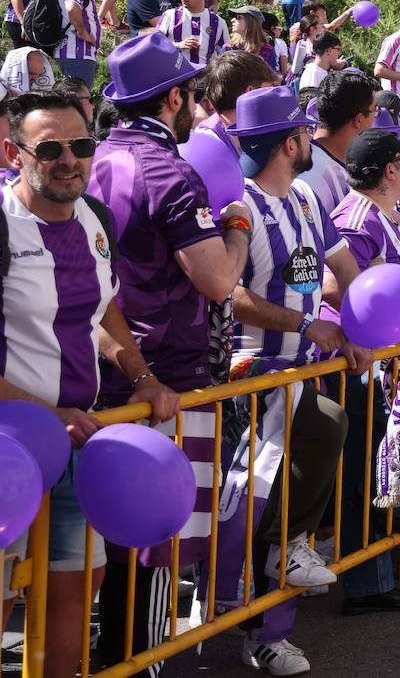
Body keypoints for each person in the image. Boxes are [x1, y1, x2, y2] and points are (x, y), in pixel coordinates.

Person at [87, 33, 254, 675]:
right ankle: (143, 664)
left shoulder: (93, 157)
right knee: (156, 536)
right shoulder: (169, 169)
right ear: (176, 98)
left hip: (105, 361)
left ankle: (111, 657)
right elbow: (217, 280)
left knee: (99, 536)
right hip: (169, 376)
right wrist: (235, 229)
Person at [0, 91, 179, 678]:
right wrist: (36, 414)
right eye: (49, 148)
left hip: (76, 439)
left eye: (80, 145)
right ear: (14, 152)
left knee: (77, 592)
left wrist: (143, 377)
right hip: (9, 450)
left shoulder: (95, 219)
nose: (68, 159)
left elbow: (105, 312)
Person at [219, 85, 366, 675]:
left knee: (315, 449)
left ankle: (278, 600)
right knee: (259, 502)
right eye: (304, 132)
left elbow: (340, 269)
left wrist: (352, 322)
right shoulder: (241, 206)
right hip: (252, 378)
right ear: (291, 141)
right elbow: (233, 295)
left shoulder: (305, 198)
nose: (311, 139)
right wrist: (310, 324)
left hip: (299, 374)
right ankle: (257, 625)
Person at [328, 128, 400, 613]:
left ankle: (378, 573)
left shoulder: (379, 215)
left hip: (387, 363)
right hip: (361, 366)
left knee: (379, 466)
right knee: (362, 476)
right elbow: (337, 287)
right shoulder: (359, 218)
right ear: (391, 170)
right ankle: (366, 584)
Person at [296, 70, 379, 215]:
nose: (376, 118)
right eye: (375, 110)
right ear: (359, 120)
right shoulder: (313, 179)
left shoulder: (332, 158)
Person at [54, 0, 107, 90]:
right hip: (77, 53)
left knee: (74, 101)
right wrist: (83, 32)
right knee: (78, 103)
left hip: (75, 53)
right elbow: (72, 7)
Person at [156, 0, 227, 66]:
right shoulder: (169, 16)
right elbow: (156, 42)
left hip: (204, 76)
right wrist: (177, 45)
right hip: (175, 75)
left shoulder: (218, 22)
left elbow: (225, 55)